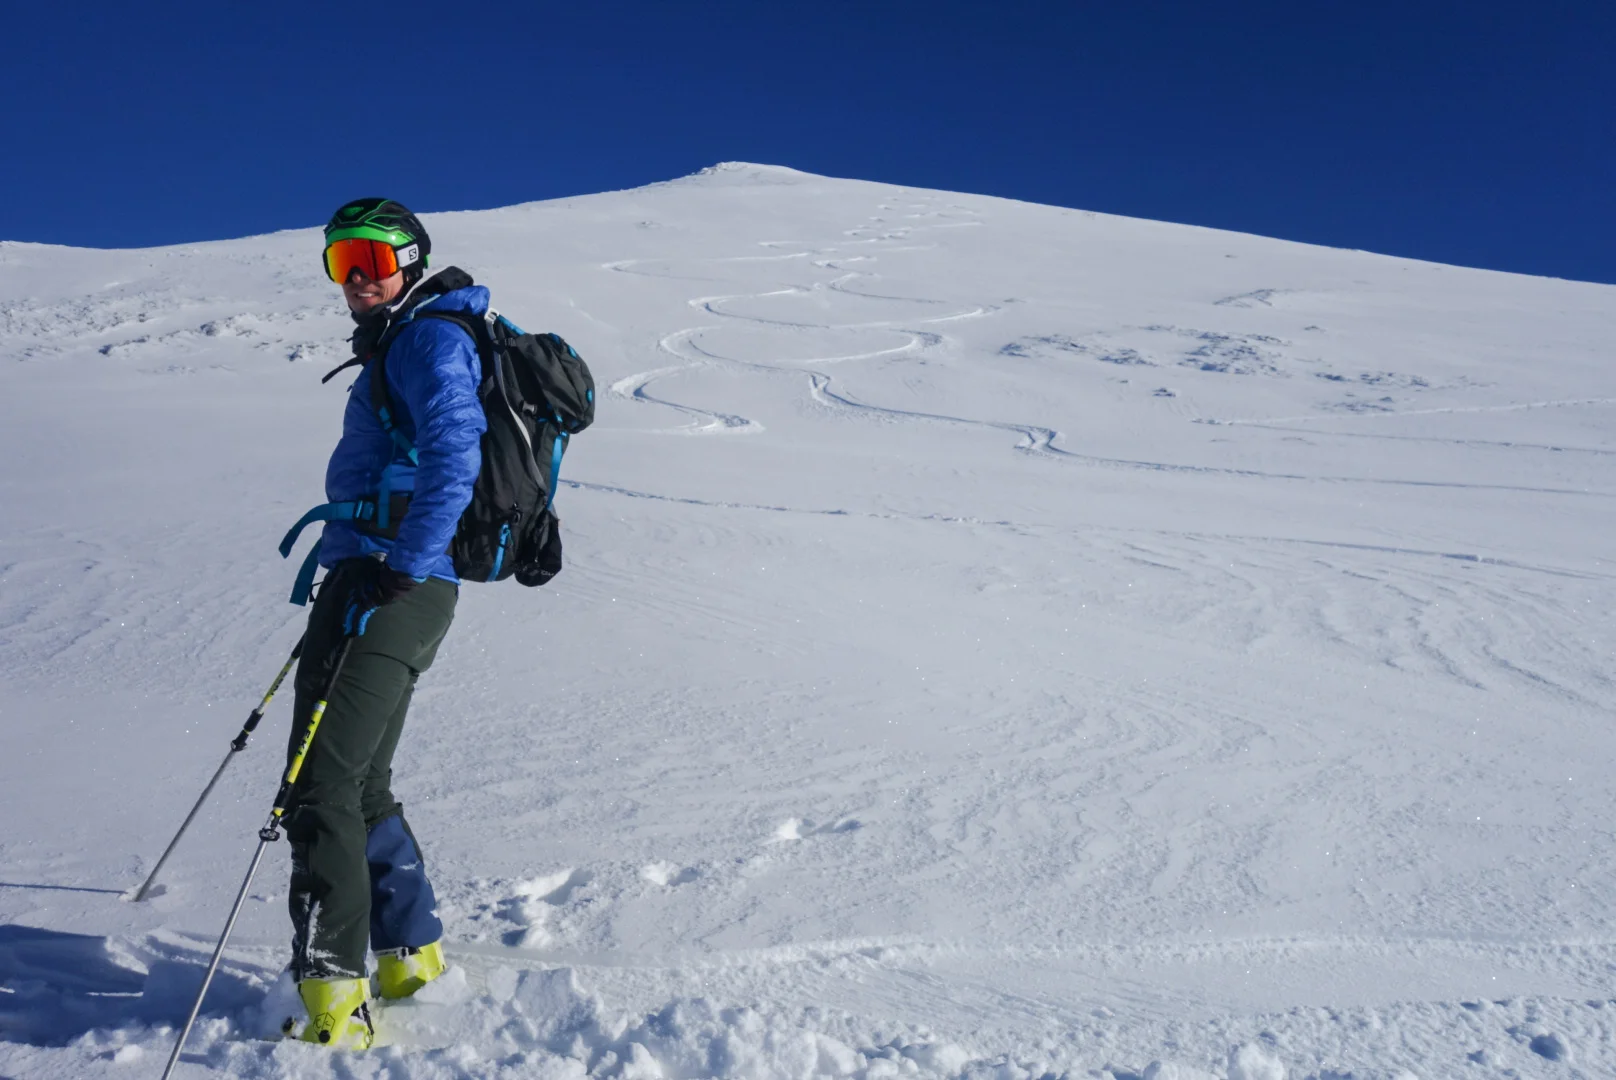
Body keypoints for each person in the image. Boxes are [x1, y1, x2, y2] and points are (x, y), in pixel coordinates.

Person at [280, 197, 488, 1047]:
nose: (358, 278)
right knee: (357, 783)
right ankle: (411, 956)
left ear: (411, 260)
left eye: (372, 258)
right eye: (341, 263)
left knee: (317, 783)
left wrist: (403, 563)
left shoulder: (431, 340)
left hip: (397, 580)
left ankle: (333, 1000)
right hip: (373, 574)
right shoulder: (397, 345)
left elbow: (456, 451)